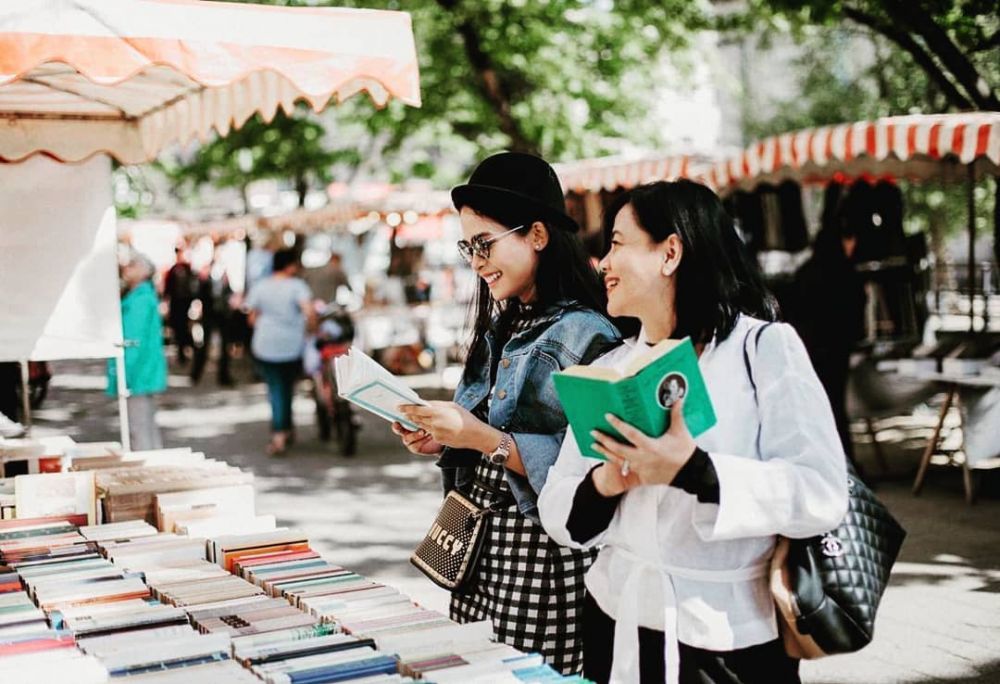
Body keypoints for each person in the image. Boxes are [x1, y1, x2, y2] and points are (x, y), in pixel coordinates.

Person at [539, 180, 849, 684]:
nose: (603, 264)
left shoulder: (763, 350)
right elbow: (558, 510)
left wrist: (696, 472)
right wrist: (606, 484)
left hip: (726, 640)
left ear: (671, 252)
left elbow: (822, 492)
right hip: (617, 624)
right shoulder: (611, 368)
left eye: (617, 243)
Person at [392, 152, 622, 675]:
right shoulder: (504, 324)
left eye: (485, 244)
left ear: (538, 235)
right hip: (477, 550)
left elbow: (587, 465)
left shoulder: (590, 335)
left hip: (541, 554)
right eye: (467, 246)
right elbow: (485, 428)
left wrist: (476, 437)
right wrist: (441, 437)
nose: (475, 261)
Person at [791, 205, 866, 471]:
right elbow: (856, 315)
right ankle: (844, 466)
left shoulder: (806, 272)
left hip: (808, 349)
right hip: (835, 351)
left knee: (814, 407)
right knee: (834, 406)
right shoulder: (847, 274)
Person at [246, 248, 315, 455]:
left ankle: (282, 430)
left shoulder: (261, 286)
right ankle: (282, 431)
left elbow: (251, 317)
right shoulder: (297, 286)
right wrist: (311, 329)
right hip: (291, 344)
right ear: (291, 265)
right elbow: (309, 313)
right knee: (286, 388)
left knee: (275, 388)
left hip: (265, 343)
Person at [108, 254, 168, 451]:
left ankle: (149, 470)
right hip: (143, 373)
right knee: (145, 426)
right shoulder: (141, 296)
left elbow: (133, 341)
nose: (126, 267)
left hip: (138, 374)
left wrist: (124, 373)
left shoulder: (140, 300)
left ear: (144, 272)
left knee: (139, 428)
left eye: (132, 264)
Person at [190, 253, 235, 386]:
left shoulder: (224, 277)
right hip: (210, 315)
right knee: (205, 345)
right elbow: (199, 294)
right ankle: (196, 374)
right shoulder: (205, 278)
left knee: (224, 346)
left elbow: (229, 294)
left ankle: (224, 376)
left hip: (222, 316)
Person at [163, 246, 195, 363]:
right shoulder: (174, 269)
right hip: (177, 304)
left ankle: (187, 349)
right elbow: (168, 288)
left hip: (183, 303)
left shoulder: (186, 269)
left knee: (183, 328)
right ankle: (183, 352)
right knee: (179, 328)